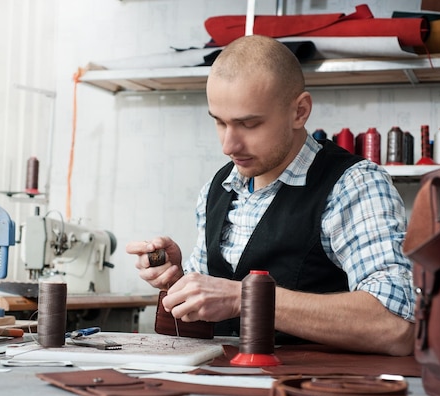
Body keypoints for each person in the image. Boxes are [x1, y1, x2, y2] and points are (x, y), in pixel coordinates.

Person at [126, 35, 414, 356]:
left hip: (306, 395)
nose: (228, 146)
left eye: (248, 124)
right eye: (220, 123)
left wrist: (243, 298)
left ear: (299, 112)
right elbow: (212, 307)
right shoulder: (217, 187)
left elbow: (395, 325)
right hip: (225, 390)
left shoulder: (354, 185)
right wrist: (178, 281)